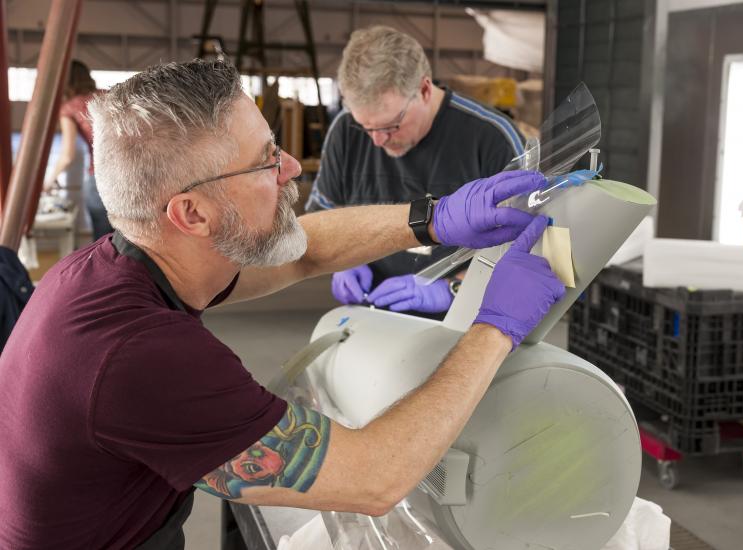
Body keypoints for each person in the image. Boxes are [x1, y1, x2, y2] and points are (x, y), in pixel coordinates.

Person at [0, 60, 565, 549]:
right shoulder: (142, 357)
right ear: (192, 214)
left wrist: (432, 219)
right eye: (266, 161)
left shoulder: (116, 265)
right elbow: (374, 478)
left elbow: (299, 255)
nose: (292, 167)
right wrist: (494, 326)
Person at [305, 25, 527, 316]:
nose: (377, 140)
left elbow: (528, 249)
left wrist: (453, 289)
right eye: (365, 126)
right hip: (373, 316)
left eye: (390, 125)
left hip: (465, 321)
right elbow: (319, 222)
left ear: (423, 89)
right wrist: (344, 260)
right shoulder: (346, 132)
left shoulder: (493, 138)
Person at [45, 59, 114, 240]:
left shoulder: (69, 108)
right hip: (134, 171)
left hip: (102, 174)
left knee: (103, 237)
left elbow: (67, 155)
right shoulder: (109, 96)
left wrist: (49, 181)